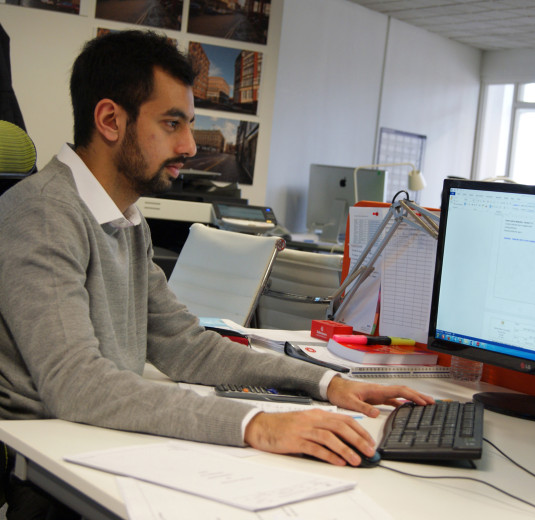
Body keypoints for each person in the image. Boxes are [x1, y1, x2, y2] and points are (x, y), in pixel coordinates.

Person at [0, 30, 433, 518]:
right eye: (171, 123)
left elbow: (189, 346)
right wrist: (256, 424)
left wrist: (326, 384)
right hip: (50, 473)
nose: (188, 145)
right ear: (109, 120)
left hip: (102, 444)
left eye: (190, 124)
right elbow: (77, 385)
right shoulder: (43, 215)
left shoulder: (123, 218)